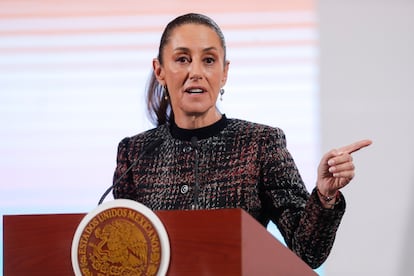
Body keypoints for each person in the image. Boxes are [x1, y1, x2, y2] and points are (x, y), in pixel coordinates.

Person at [112, 13, 372, 269]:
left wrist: (325, 195)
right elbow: (122, 252)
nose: (196, 72)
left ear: (224, 73)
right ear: (159, 71)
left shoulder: (260, 144)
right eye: (182, 59)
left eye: (209, 60)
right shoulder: (134, 153)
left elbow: (307, 252)